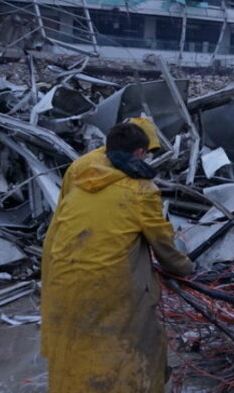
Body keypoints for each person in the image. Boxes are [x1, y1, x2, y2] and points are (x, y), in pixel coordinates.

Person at [40, 120, 193, 393]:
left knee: (73, 349)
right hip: (108, 285)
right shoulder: (140, 191)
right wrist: (184, 268)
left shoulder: (81, 171)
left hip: (61, 274)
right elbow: (163, 244)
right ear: (138, 153)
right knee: (135, 346)